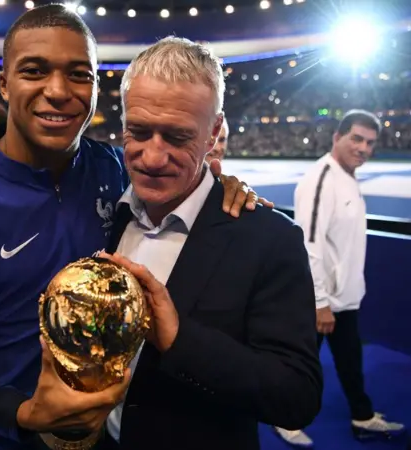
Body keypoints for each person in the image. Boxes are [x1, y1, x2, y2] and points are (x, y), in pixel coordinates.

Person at [0, 6, 268, 450]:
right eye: (34, 70)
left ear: (95, 87)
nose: (58, 91)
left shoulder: (114, 172)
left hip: (91, 436)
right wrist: (22, 414)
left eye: (79, 74)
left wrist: (223, 185)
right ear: (4, 84)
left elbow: (183, 189)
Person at [95, 36, 323, 450]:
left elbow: (296, 397)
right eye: (139, 131)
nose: (152, 157)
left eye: (178, 137)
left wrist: (180, 340)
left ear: (214, 131)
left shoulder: (269, 239)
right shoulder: (103, 213)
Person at [274, 110, 406, 447]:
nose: (363, 148)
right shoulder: (322, 180)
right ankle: (283, 419)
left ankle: (362, 417)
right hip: (322, 302)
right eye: (357, 139)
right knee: (301, 365)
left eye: (370, 143)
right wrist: (320, 304)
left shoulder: (348, 177)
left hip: (343, 300)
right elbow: (310, 245)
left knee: (350, 361)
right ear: (338, 137)